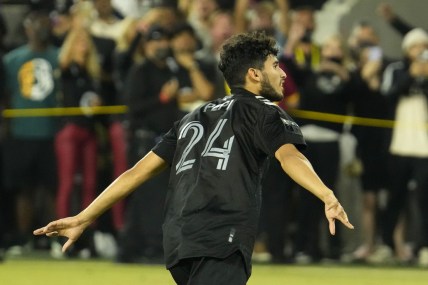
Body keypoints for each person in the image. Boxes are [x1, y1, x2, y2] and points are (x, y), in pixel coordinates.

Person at [34, 31, 353, 284]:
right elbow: (289, 156)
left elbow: (136, 172)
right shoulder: (264, 112)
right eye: (275, 66)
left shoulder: (193, 117)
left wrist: (85, 216)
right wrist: (326, 194)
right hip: (221, 237)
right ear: (254, 74)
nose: (282, 74)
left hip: (178, 241)